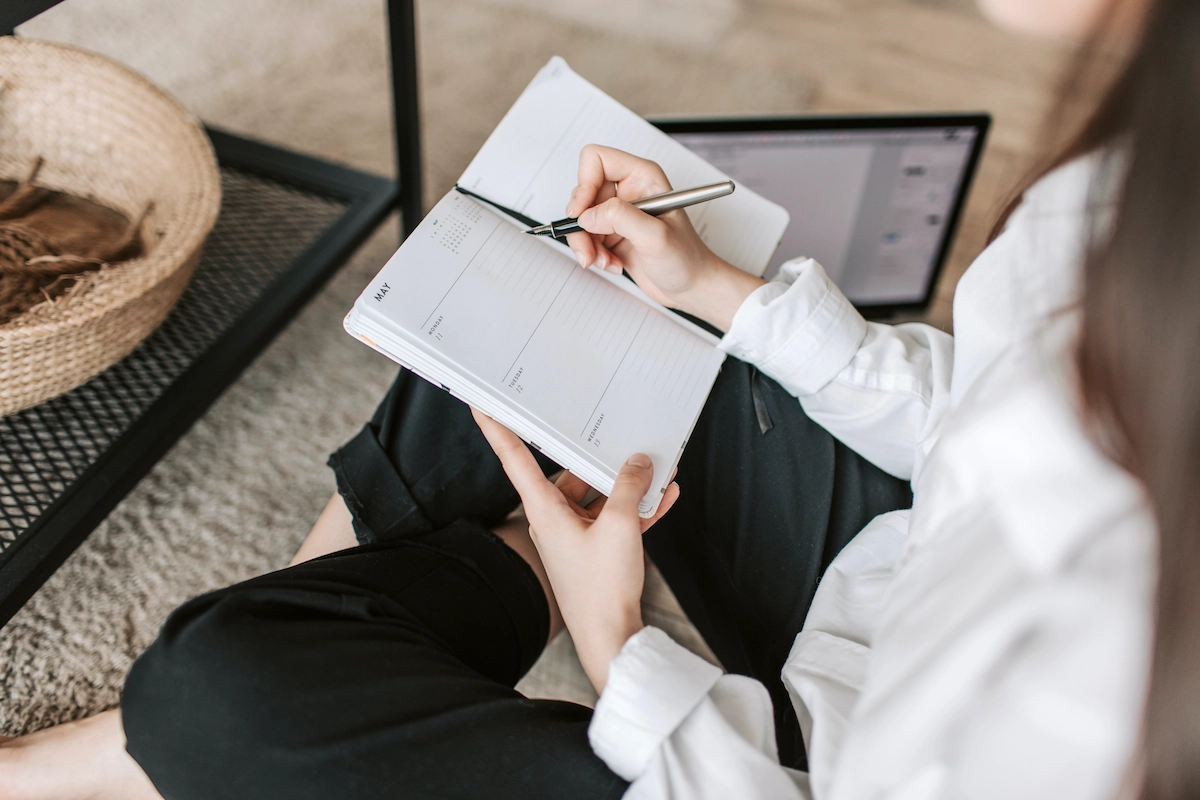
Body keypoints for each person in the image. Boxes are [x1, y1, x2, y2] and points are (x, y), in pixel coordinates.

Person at [2, 0, 1195, 795]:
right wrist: (724, 292)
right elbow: (987, 416)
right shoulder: (1145, 162)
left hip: (809, 766)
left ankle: (144, 736)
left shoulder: (1123, 665)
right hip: (898, 564)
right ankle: (291, 639)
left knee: (207, 691)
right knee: (556, 295)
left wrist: (614, 636)